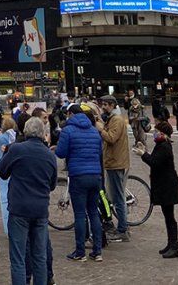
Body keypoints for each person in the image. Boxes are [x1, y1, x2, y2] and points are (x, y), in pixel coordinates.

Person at [0, 116, 56, 285]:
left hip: (20, 208)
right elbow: (52, 184)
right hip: (40, 209)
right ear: (43, 133)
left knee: (18, 257)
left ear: (25, 131)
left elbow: (2, 172)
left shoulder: (17, 149)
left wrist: (6, 153)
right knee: (40, 256)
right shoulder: (49, 155)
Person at [54, 104, 104, 262]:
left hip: (78, 175)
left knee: (80, 214)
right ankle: (97, 251)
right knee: (94, 212)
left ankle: (80, 251)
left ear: (70, 114)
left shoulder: (68, 130)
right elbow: (99, 152)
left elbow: (60, 153)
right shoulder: (94, 131)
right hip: (95, 175)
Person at [135, 121, 178, 259]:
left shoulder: (164, 146)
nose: (154, 133)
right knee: (168, 216)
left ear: (163, 133)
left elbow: (154, 162)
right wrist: (145, 152)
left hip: (167, 185)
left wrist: (143, 154)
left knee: (170, 217)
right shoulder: (161, 145)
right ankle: (170, 243)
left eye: (156, 131)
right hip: (165, 184)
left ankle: (175, 246)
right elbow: (156, 159)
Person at [94, 95, 131, 242]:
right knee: (116, 195)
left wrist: (100, 129)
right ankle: (122, 226)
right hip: (113, 162)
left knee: (118, 197)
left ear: (111, 105)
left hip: (116, 162)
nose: (103, 107)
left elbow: (111, 138)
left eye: (105, 105)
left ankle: (122, 229)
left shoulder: (117, 120)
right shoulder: (112, 119)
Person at [0, 115, 17, 234]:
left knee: (5, 199)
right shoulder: (17, 138)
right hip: (16, 171)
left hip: (3, 171)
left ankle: (8, 228)